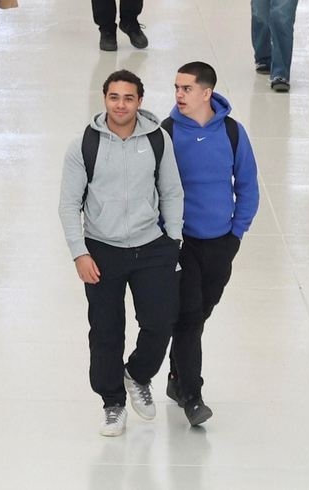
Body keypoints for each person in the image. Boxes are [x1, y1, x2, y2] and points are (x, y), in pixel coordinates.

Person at [57, 70, 183, 437]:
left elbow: (172, 191)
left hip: (152, 245)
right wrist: (79, 253)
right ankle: (112, 403)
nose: (121, 105)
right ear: (105, 99)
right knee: (106, 330)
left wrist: (173, 240)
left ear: (140, 101)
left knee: (161, 320)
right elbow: (68, 205)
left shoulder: (158, 139)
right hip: (101, 249)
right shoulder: (84, 144)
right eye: (114, 97)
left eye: (129, 98)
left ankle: (138, 375)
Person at [164, 61, 259, 428]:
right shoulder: (168, 133)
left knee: (200, 314)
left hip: (221, 243)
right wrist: (166, 236)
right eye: (177, 87)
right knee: (188, 317)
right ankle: (193, 397)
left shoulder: (232, 132)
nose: (179, 94)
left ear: (207, 93)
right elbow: (154, 189)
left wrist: (236, 234)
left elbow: (247, 185)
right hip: (181, 243)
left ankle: (176, 378)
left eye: (186, 88)